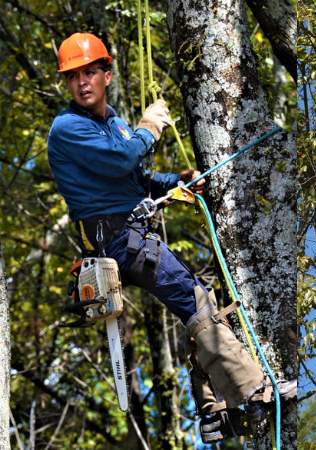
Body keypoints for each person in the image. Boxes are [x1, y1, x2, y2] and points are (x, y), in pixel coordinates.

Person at [47, 32, 271, 443]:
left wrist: (179, 181)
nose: (82, 82)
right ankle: (252, 392)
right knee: (196, 300)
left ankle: (213, 411)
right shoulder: (67, 128)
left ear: (107, 75)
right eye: (74, 76)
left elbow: (137, 179)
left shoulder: (111, 122)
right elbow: (124, 160)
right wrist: (148, 128)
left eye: (90, 72)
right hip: (117, 242)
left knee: (197, 300)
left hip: (130, 234)